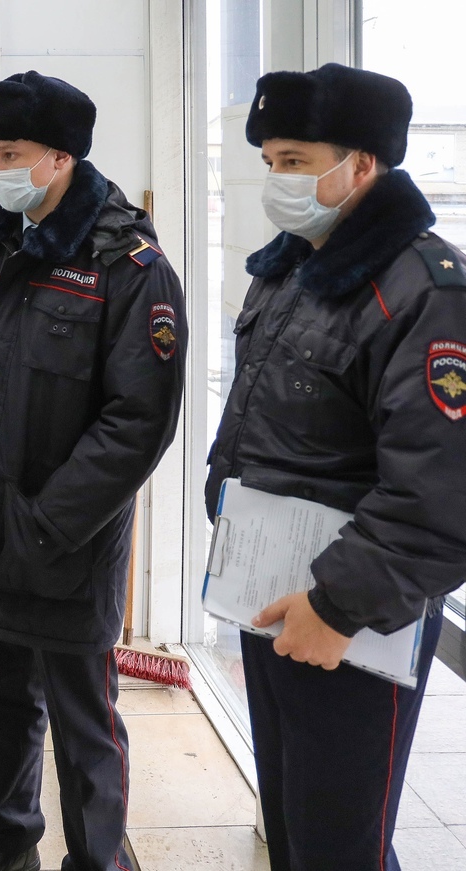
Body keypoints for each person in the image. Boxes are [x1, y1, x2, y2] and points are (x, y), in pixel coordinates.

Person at [0, 71, 187, 871]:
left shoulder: (129, 264)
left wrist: (46, 522)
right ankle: (5, 842)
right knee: (0, 705)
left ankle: (98, 860)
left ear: (62, 157)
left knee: (84, 722)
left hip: (68, 542)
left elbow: (139, 421)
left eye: (11, 152)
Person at [206, 63, 464, 871]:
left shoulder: (422, 288)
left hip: (352, 621)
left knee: (340, 843)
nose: (278, 180)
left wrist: (337, 605)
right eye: (271, 162)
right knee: (291, 818)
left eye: (296, 160)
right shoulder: (291, 265)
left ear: (362, 165)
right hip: (273, 598)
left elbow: (442, 492)